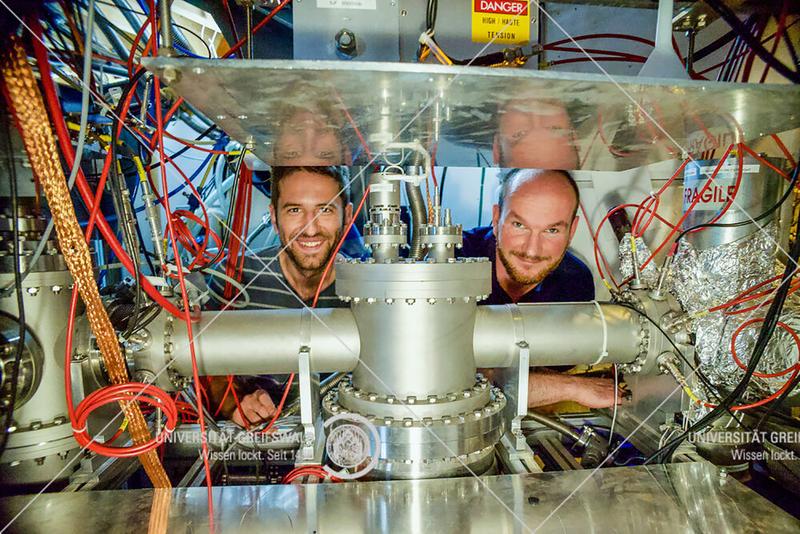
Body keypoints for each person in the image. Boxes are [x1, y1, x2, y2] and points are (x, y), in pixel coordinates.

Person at [462, 168, 623, 408]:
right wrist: (571, 387)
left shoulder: (574, 282)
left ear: (572, 230)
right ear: (496, 219)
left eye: (551, 230)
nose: (532, 249)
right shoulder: (453, 262)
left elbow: (550, 371)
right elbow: (452, 384)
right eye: (519, 225)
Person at [209, 165, 353, 427]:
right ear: (274, 217)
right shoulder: (234, 277)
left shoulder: (367, 290)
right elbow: (203, 364)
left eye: (325, 209)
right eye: (295, 210)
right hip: (260, 447)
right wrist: (235, 404)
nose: (310, 229)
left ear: (348, 216)